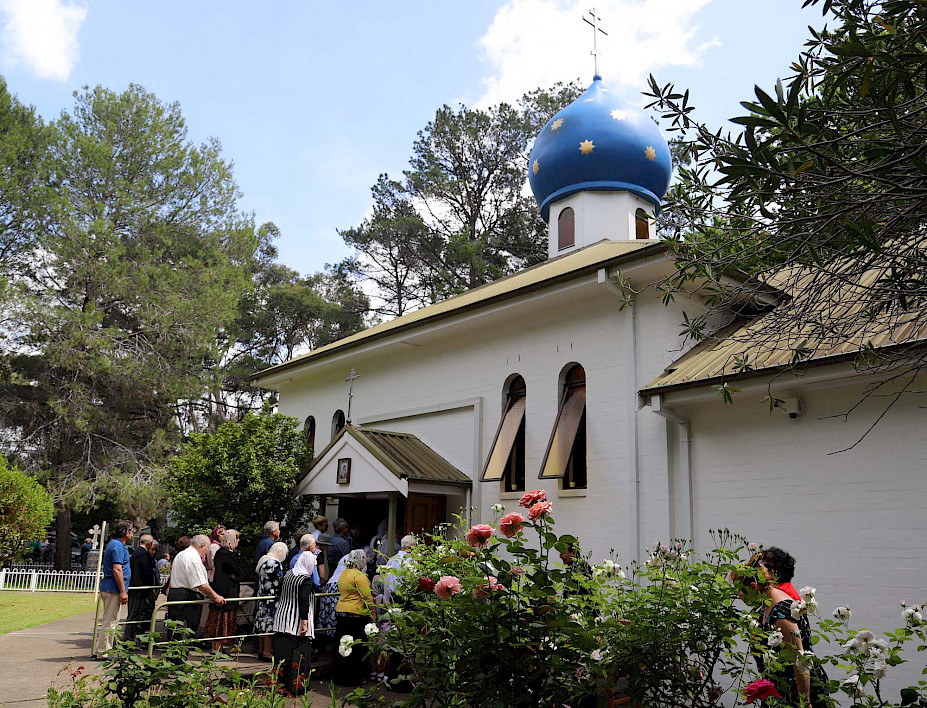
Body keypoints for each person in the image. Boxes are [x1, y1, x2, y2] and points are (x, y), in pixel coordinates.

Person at [733, 552, 830, 708]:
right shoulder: (766, 605)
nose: (739, 596)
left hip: (798, 692)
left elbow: (799, 660)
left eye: (741, 591)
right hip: (781, 689)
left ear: (753, 587)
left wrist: (805, 703)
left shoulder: (782, 613)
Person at [273, 547, 316, 696]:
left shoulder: (288, 574)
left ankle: (280, 685)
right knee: (298, 656)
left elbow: (279, 592)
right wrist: (304, 622)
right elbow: (303, 601)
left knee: (282, 656)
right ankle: (297, 687)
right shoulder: (305, 580)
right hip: (296, 622)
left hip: (282, 619)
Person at [167, 534, 226, 637]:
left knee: (175, 630)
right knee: (187, 631)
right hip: (187, 598)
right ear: (202, 546)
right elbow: (200, 584)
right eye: (207, 548)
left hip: (175, 594)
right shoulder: (192, 558)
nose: (207, 551)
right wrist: (216, 597)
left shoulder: (181, 554)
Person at [333, 549, 376, 686]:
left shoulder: (343, 574)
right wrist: (373, 615)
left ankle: (340, 677)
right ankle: (354, 678)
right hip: (356, 614)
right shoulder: (360, 576)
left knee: (343, 646)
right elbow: (367, 597)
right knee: (357, 648)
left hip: (341, 612)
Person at [94, 520, 133, 658]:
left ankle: (100, 649)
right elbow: (117, 569)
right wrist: (123, 591)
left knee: (111, 620)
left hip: (111, 587)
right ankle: (103, 652)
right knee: (110, 621)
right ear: (126, 532)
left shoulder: (116, 545)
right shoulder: (117, 546)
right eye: (131, 531)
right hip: (113, 589)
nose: (132, 534)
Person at [205, 529, 243, 652]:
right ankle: (218, 650)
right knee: (222, 623)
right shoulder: (228, 554)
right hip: (227, 593)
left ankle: (216, 649)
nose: (238, 541)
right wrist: (236, 575)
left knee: (218, 622)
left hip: (220, 591)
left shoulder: (220, 552)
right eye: (236, 538)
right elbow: (240, 572)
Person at [254, 541, 289, 661]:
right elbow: (281, 579)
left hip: (262, 596)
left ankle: (261, 650)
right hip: (272, 599)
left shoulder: (264, 560)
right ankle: (267, 652)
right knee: (269, 625)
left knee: (261, 624)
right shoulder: (274, 563)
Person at [123, 533, 159, 644]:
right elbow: (147, 573)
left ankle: (131, 637)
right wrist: (151, 589)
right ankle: (128, 639)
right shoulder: (144, 555)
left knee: (135, 615)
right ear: (149, 543)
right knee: (134, 615)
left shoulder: (136, 553)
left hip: (135, 589)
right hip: (139, 590)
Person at [317, 553, 349, 637]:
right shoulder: (353, 559)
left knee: (327, 613)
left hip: (331, 584)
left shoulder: (346, 558)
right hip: (339, 586)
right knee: (334, 616)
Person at [382, 534, 415, 603]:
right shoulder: (412, 561)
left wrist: (387, 601)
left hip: (392, 599)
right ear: (412, 545)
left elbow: (386, 582)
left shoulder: (391, 560)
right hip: (406, 599)